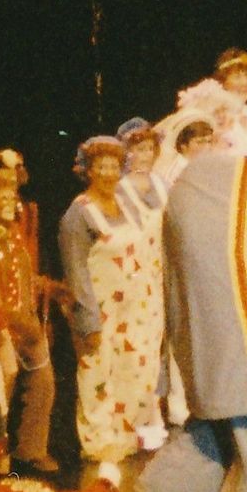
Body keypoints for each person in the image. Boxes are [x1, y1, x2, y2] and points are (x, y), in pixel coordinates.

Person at [59, 134, 168, 461]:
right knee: (99, 373)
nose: (108, 174)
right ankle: (99, 441)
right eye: (101, 167)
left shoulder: (129, 204)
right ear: (88, 170)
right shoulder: (79, 214)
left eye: (113, 167)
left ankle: (128, 434)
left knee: (135, 371)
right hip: (102, 311)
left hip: (138, 310)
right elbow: (76, 270)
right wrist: (88, 319)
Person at [0, 159, 60, 473]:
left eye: (13, 198)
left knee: (42, 385)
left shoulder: (15, 234)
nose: (10, 204)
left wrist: (47, 288)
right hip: (1, 327)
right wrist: (13, 321)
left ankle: (31, 450)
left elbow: (23, 275)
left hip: (27, 323)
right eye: (3, 198)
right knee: (1, 393)